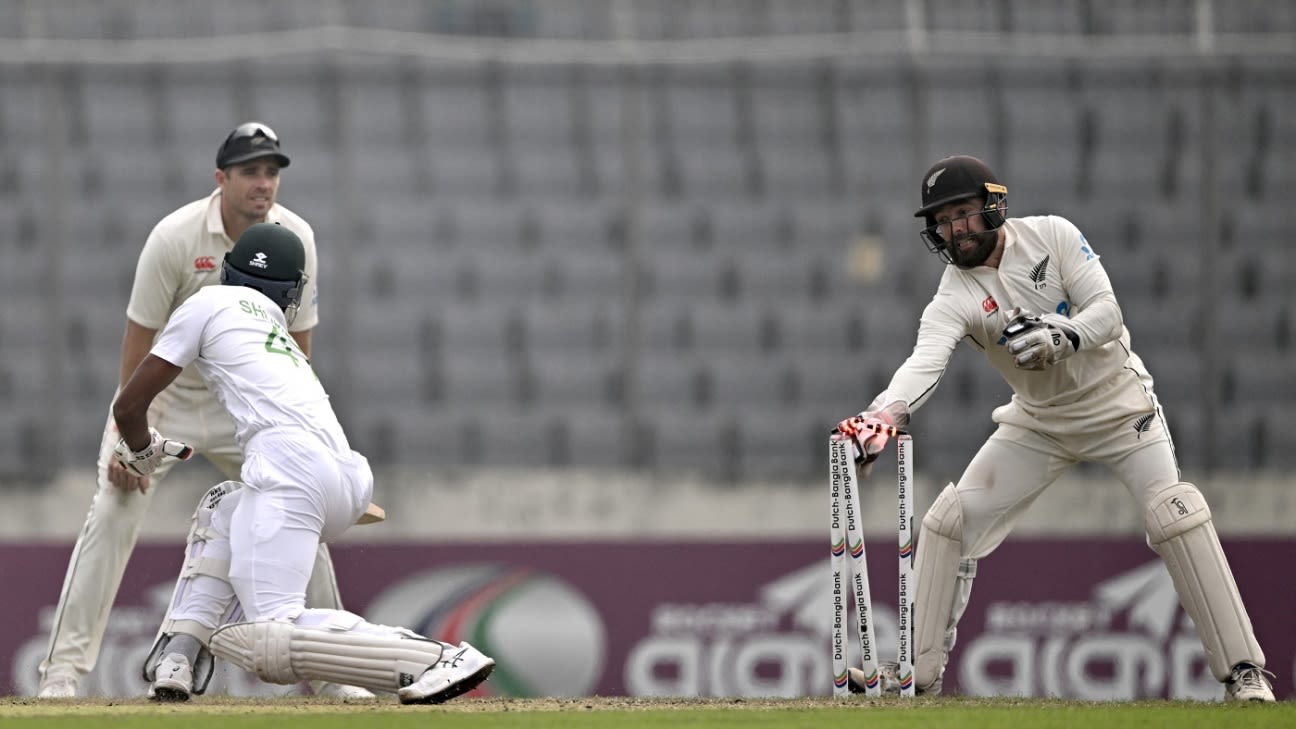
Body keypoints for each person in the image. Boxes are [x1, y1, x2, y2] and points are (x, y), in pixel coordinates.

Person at [838, 155, 1274, 702]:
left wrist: (1063, 335)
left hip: (1119, 406)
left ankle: (1243, 673)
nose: (956, 229)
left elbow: (1107, 311)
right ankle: (916, 676)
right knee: (949, 522)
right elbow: (925, 361)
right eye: (943, 221)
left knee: (1175, 513)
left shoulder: (1054, 235)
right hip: (1039, 421)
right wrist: (885, 414)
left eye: (965, 213)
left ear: (993, 205)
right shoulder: (953, 295)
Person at [37, 122, 372, 700]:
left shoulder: (296, 239)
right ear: (221, 178)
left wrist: (309, 457)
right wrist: (127, 444)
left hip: (243, 411)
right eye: (250, 172)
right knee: (113, 511)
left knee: (300, 514)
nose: (263, 184)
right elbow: (138, 341)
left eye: (271, 172)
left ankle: (333, 674)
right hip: (165, 404)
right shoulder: (175, 236)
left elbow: (295, 356)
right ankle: (62, 672)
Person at [110, 222, 496, 703]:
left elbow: (129, 407)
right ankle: (178, 657)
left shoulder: (207, 302)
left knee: (267, 636)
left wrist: (141, 451)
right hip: (345, 476)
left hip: (288, 470)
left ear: (227, 273)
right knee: (223, 509)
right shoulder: (279, 331)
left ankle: (432, 657)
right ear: (291, 293)